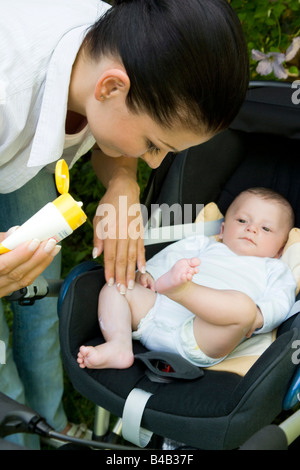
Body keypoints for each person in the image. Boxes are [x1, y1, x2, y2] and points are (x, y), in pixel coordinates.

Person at [0, 0, 249, 447]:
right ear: (111, 87)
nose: (154, 162)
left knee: (34, 298)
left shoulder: (119, 40)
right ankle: (14, 434)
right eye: (154, 144)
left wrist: (122, 186)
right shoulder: (8, 94)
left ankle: (50, 427)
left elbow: (112, 136)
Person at [77, 188, 297, 370]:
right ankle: (119, 344)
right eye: (241, 220)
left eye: (266, 228)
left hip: (200, 337)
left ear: (280, 249)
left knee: (245, 309)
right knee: (118, 285)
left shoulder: (275, 269)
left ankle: (184, 291)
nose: (251, 228)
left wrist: (258, 317)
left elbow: (280, 302)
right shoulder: (204, 244)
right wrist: (149, 274)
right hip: (155, 311)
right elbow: (169, 257)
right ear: (221, 229)